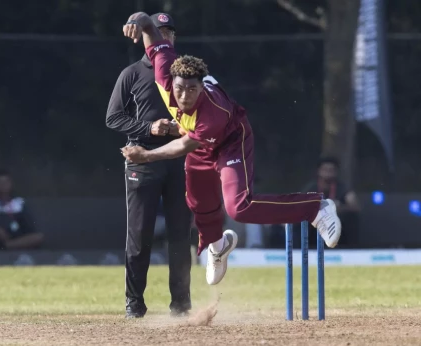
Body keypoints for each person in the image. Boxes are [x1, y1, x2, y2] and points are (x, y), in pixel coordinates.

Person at [120, 12, 342, 286]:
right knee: (199, 204)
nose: (184, 96)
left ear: (202, 87)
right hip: (198, 141)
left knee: (239, 208)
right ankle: (217, 245)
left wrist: (146, 155)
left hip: (230, 140)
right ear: (170, 82)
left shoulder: (212, 112)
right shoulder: (165, 70)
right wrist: (136, 19)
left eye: (192, 90)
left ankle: (316, 208)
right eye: (179, 89)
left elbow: (186, 144)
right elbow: (148, 26)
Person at [106, 13, 192, 319]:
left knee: (180, 234)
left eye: (168, 32)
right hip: (142, 160)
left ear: (173, 39)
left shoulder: (187, 74)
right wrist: (149, 128)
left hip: (180, 159)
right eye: (157, 32)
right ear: (146, 38)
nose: (163, 37)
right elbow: (113, 117)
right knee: (139, 235)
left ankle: (181, 304)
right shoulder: (131, 74)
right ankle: (134, 302)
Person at [0, 169, 43, 253]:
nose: (3, 185)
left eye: (6, 182)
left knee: (38, 237)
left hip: (15, 239)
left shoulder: (19, 202)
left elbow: (29, 227)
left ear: (11, 184)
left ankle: (6, 246)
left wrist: (12, 236)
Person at [303, 156, 360, 247]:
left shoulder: (342, 187)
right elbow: (301, 206)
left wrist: (338, 207)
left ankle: (346, 249)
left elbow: (355, 207)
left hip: (337, 227)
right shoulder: (312, 188)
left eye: (331, 170)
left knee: (350, 219)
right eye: (325, 169)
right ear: (319, 171)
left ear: (336, 172)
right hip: (315, 227)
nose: (328, 172)